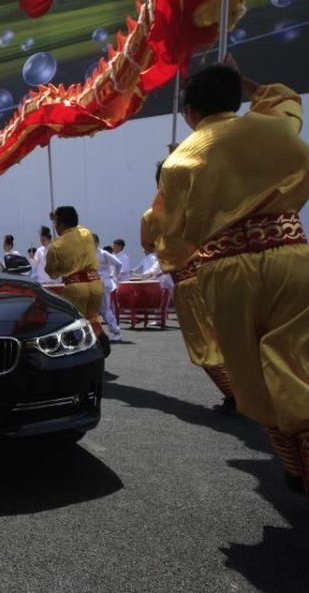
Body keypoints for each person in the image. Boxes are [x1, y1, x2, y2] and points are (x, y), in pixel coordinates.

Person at [152, 61, 309, 493]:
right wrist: (244, 82)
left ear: (189, 112)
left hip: (226, 270)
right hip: (292, 253)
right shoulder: (274, 127)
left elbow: (173, 232)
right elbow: (284, 95)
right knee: (300, 359)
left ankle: (294, 465)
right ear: (236, 97)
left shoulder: (182, 159)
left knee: (250, 374)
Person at [141, 207, 236, 412]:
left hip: (188, 281)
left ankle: (235, 394)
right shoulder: (195, 202)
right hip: (216, 274)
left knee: (204, 343)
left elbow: (148, 245)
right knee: (232, 337)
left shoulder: (152, 215)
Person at [45, 206, 107, 354]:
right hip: (96, 284)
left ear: (62, 224)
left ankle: (83, 354)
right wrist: (57, 217)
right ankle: (101, 343)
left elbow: (51, 272)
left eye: (56, 224)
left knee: (74, 323)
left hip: (76, 287)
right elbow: (74, 226)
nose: (55, 227)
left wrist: (61, 271)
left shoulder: (56, 246)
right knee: (92, 318)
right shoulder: (87, 234)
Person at [93, 233, 123, 342]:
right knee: (97, 309)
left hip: (104, 283)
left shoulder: (104, 253)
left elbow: (118, 264)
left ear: (97, 243)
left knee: (105, 309)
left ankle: (116, 331)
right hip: (94, 283)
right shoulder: (89, 254)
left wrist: (115, 276)